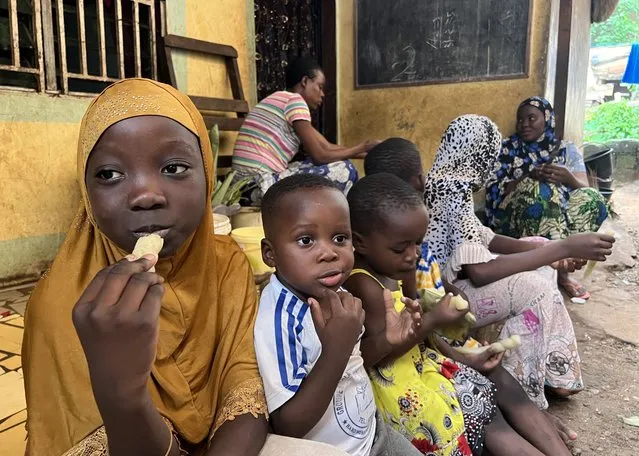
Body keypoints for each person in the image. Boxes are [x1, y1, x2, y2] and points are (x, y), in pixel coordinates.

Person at [20, 79, 341, 456]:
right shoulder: (60, 307)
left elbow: (244, 389)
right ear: (86, 195)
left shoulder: (225, 264)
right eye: (109, 174)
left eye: (173, 167)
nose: (145, 195)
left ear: (206, 175)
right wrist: (122, 394)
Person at [363, 120, 614, 417]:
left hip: (444, 286)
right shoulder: (450, 186)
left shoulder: (447, 183)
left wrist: (550, 248)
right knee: (533, 288)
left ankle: (545, 368)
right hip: (445, 293)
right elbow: (478, 271)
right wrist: (563, 248)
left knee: (537, 245)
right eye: (489, 154)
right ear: (479, 154)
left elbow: (485, 237)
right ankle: (528, 385)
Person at [344, 173, 573, 456]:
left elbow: (417, 334)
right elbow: (375, 355)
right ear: (360, 242)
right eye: (401, 247)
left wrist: (460, 357)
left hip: (424, 366)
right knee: (481, 413)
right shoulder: (363, 284)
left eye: (418, 243)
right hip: (402, 391)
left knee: (491, 391)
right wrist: (433, 321)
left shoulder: (396, 268)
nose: (413, 254)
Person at [254, 174, 424, 456]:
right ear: (270, 254)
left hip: (373, 433)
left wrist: (387, 341)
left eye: (339, 238)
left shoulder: (334, 289)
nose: (329, 253)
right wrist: (336, 349)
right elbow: (288, 424)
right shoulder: (279, 319)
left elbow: (352, 362)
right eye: (306, 240)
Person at [485, 96, 610, 299]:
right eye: (520, 119)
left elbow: (584, 188)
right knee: (542, 191)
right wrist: (527, 178)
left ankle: (562, 270)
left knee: (593, 200)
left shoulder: (566, 150)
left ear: (548, 119)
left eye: (531, 118)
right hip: (515, 221)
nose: (524, 124)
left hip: (561, 218)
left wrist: (568, 178)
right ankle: (546, 268)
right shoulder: (507, 150)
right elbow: (494, 192)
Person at [232, 56, 378, 202]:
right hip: (256, 186)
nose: (322, 94)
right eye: (320, 87)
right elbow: (319, 155)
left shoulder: (282, 100)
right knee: (345, 170)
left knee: (337, 165)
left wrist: (363, 152)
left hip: (241, 186)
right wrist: (362, 146)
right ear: (304, 81)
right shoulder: (295, 101)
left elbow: (326, 146)